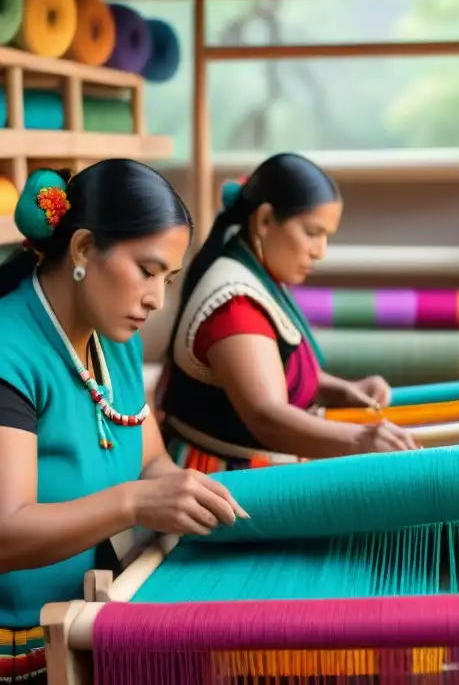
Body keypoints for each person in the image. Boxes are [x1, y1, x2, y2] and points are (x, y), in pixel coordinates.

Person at [0, 160, 246, 685]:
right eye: (146, 271)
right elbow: (0, 536)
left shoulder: (111, 339)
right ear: (81, 250)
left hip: (70, 620)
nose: (156, 299)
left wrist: (191, 497)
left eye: (168, 278)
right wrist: (136, 503)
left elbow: (151, 460)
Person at [154, 152, 419, 472]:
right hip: (225, 488)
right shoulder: (234, 305)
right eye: (312, 232)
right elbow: (266, 416)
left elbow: (275, 369)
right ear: (265, 221)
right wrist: (361, 439)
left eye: (326, 237)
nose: (320, 251)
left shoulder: (256, 276)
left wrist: (343, 391)